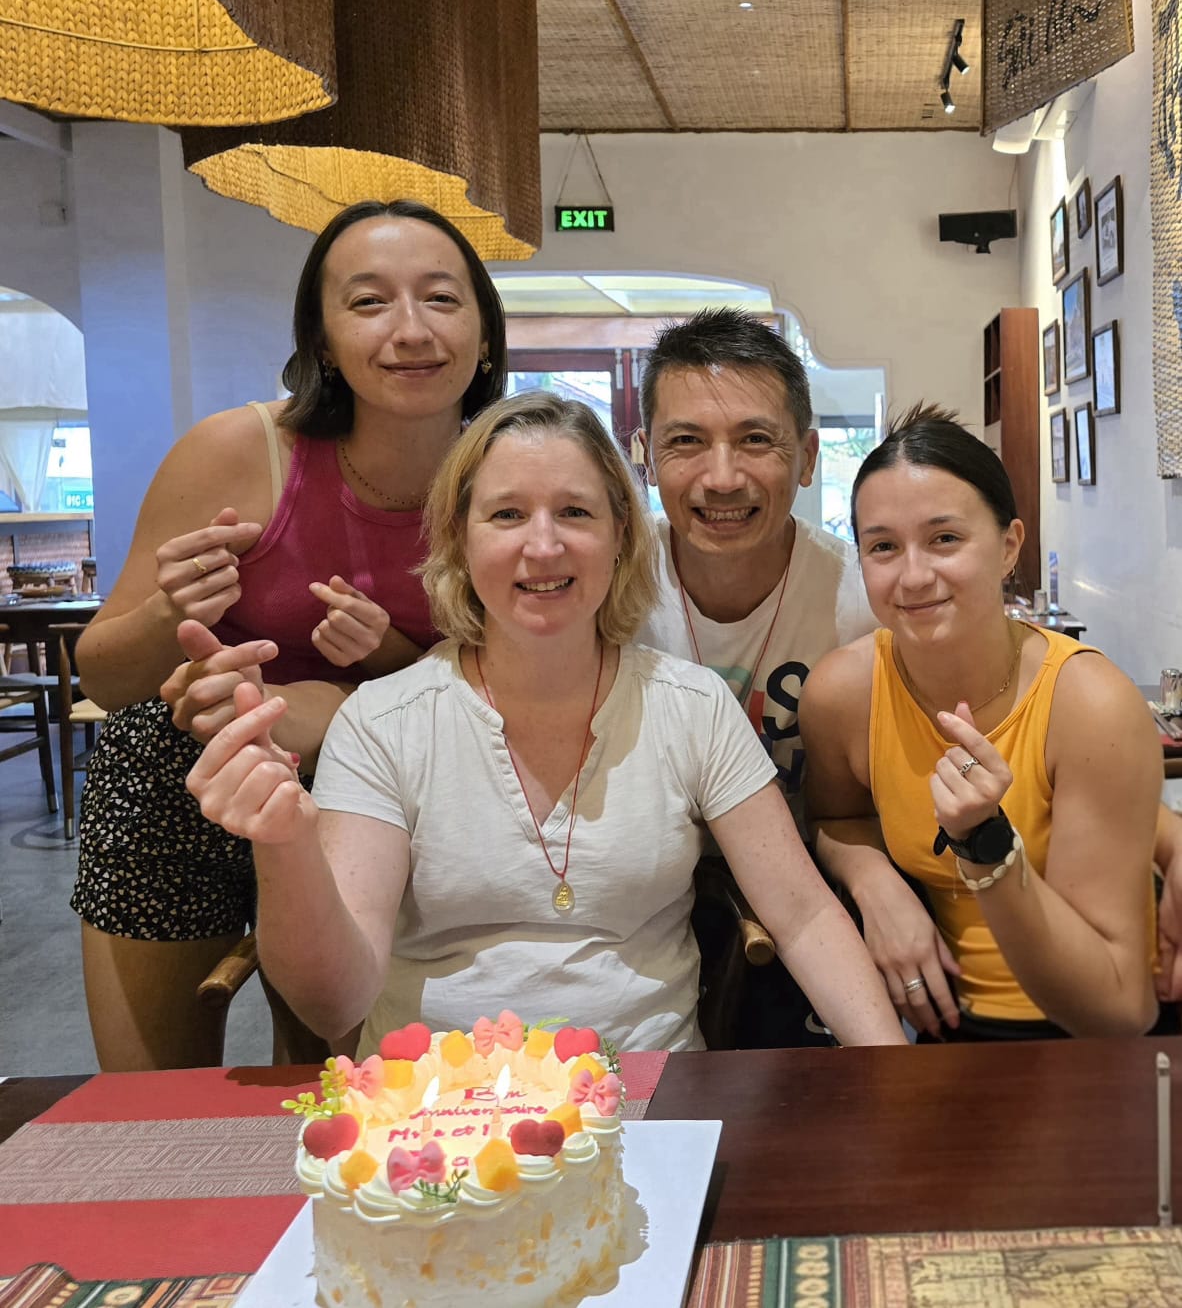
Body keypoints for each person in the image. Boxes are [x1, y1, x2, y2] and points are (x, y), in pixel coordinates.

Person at [186, 393, 906, 1052]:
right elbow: (334, 1005)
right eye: (506, 515)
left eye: (575, 513)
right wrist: (284, 846)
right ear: (460, 537)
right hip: (435, 1106)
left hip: (647, 1095)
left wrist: (890, 1071)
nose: (543, 546)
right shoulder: (383, 722)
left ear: (621, 534)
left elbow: (803, 916)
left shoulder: (692, 705)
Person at [70, 199, 507, 1071]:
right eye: (369, 301)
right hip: (183, 782)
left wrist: (360, 687)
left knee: (330, 1082)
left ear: (487, 336)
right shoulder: (239, 451)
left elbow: (516, 685)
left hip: (387, 794)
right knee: (155, 1097)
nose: (410, 330)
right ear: (323, 341)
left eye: (441, 298)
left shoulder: (504, 478)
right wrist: (169, 616)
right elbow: (105, 681)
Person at [800, 404, 1160, 1040]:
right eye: (883, 546)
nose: (914, 576)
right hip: (939, 1025)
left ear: (1009, 546)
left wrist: (984, 844)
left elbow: (1118, 1011)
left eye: (945, 539)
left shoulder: (1088, 703)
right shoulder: (843, 694)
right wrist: (875, 882)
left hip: (1080, 1037)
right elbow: (835, 818)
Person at [633, 308, 877, 1046]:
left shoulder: (862, 600)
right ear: (644, 454)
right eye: (685, 441)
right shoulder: (603, 588)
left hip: (813, 900)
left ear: (807, 457)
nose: (722, 478)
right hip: (645, 908)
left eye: (755, 440)